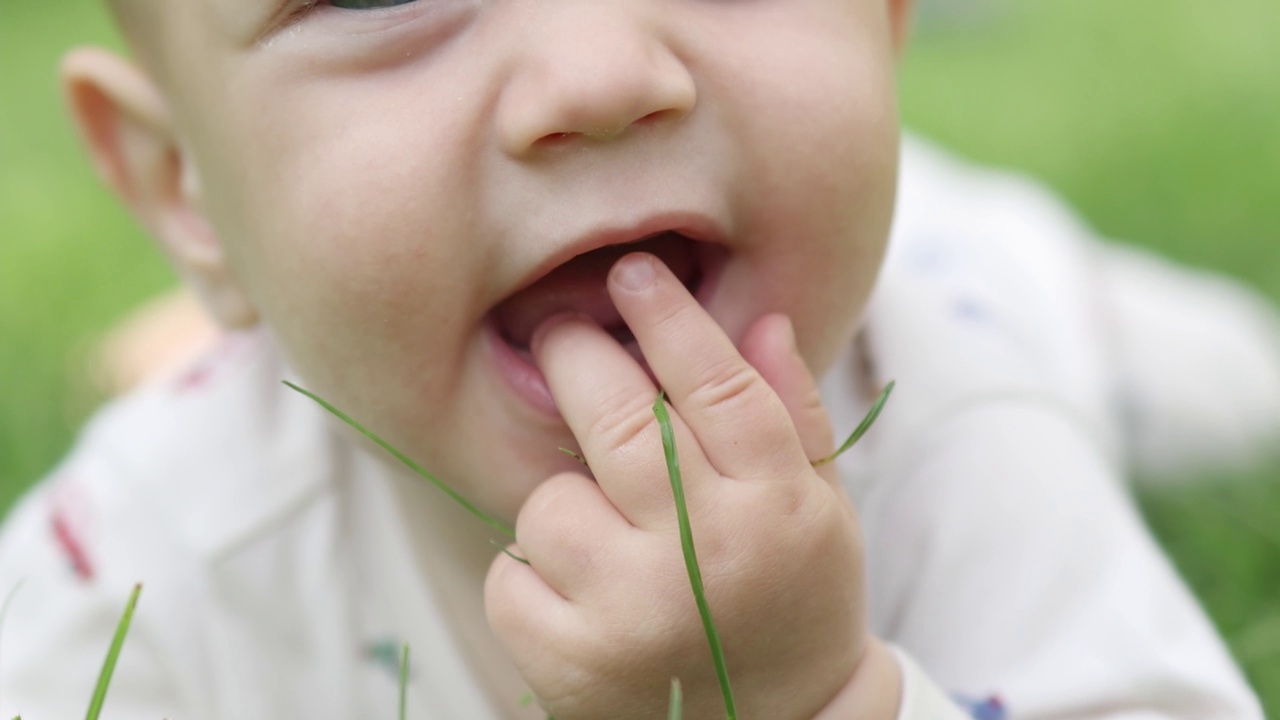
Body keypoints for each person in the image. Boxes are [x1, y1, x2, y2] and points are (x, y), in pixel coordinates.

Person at [0, 0, 1274, 718]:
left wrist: (806, 701)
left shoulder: (955, 416)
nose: (602, 73)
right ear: (188, 192)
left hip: (980, 273)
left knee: (1237, 392)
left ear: (883, 22)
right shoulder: (146, 559)